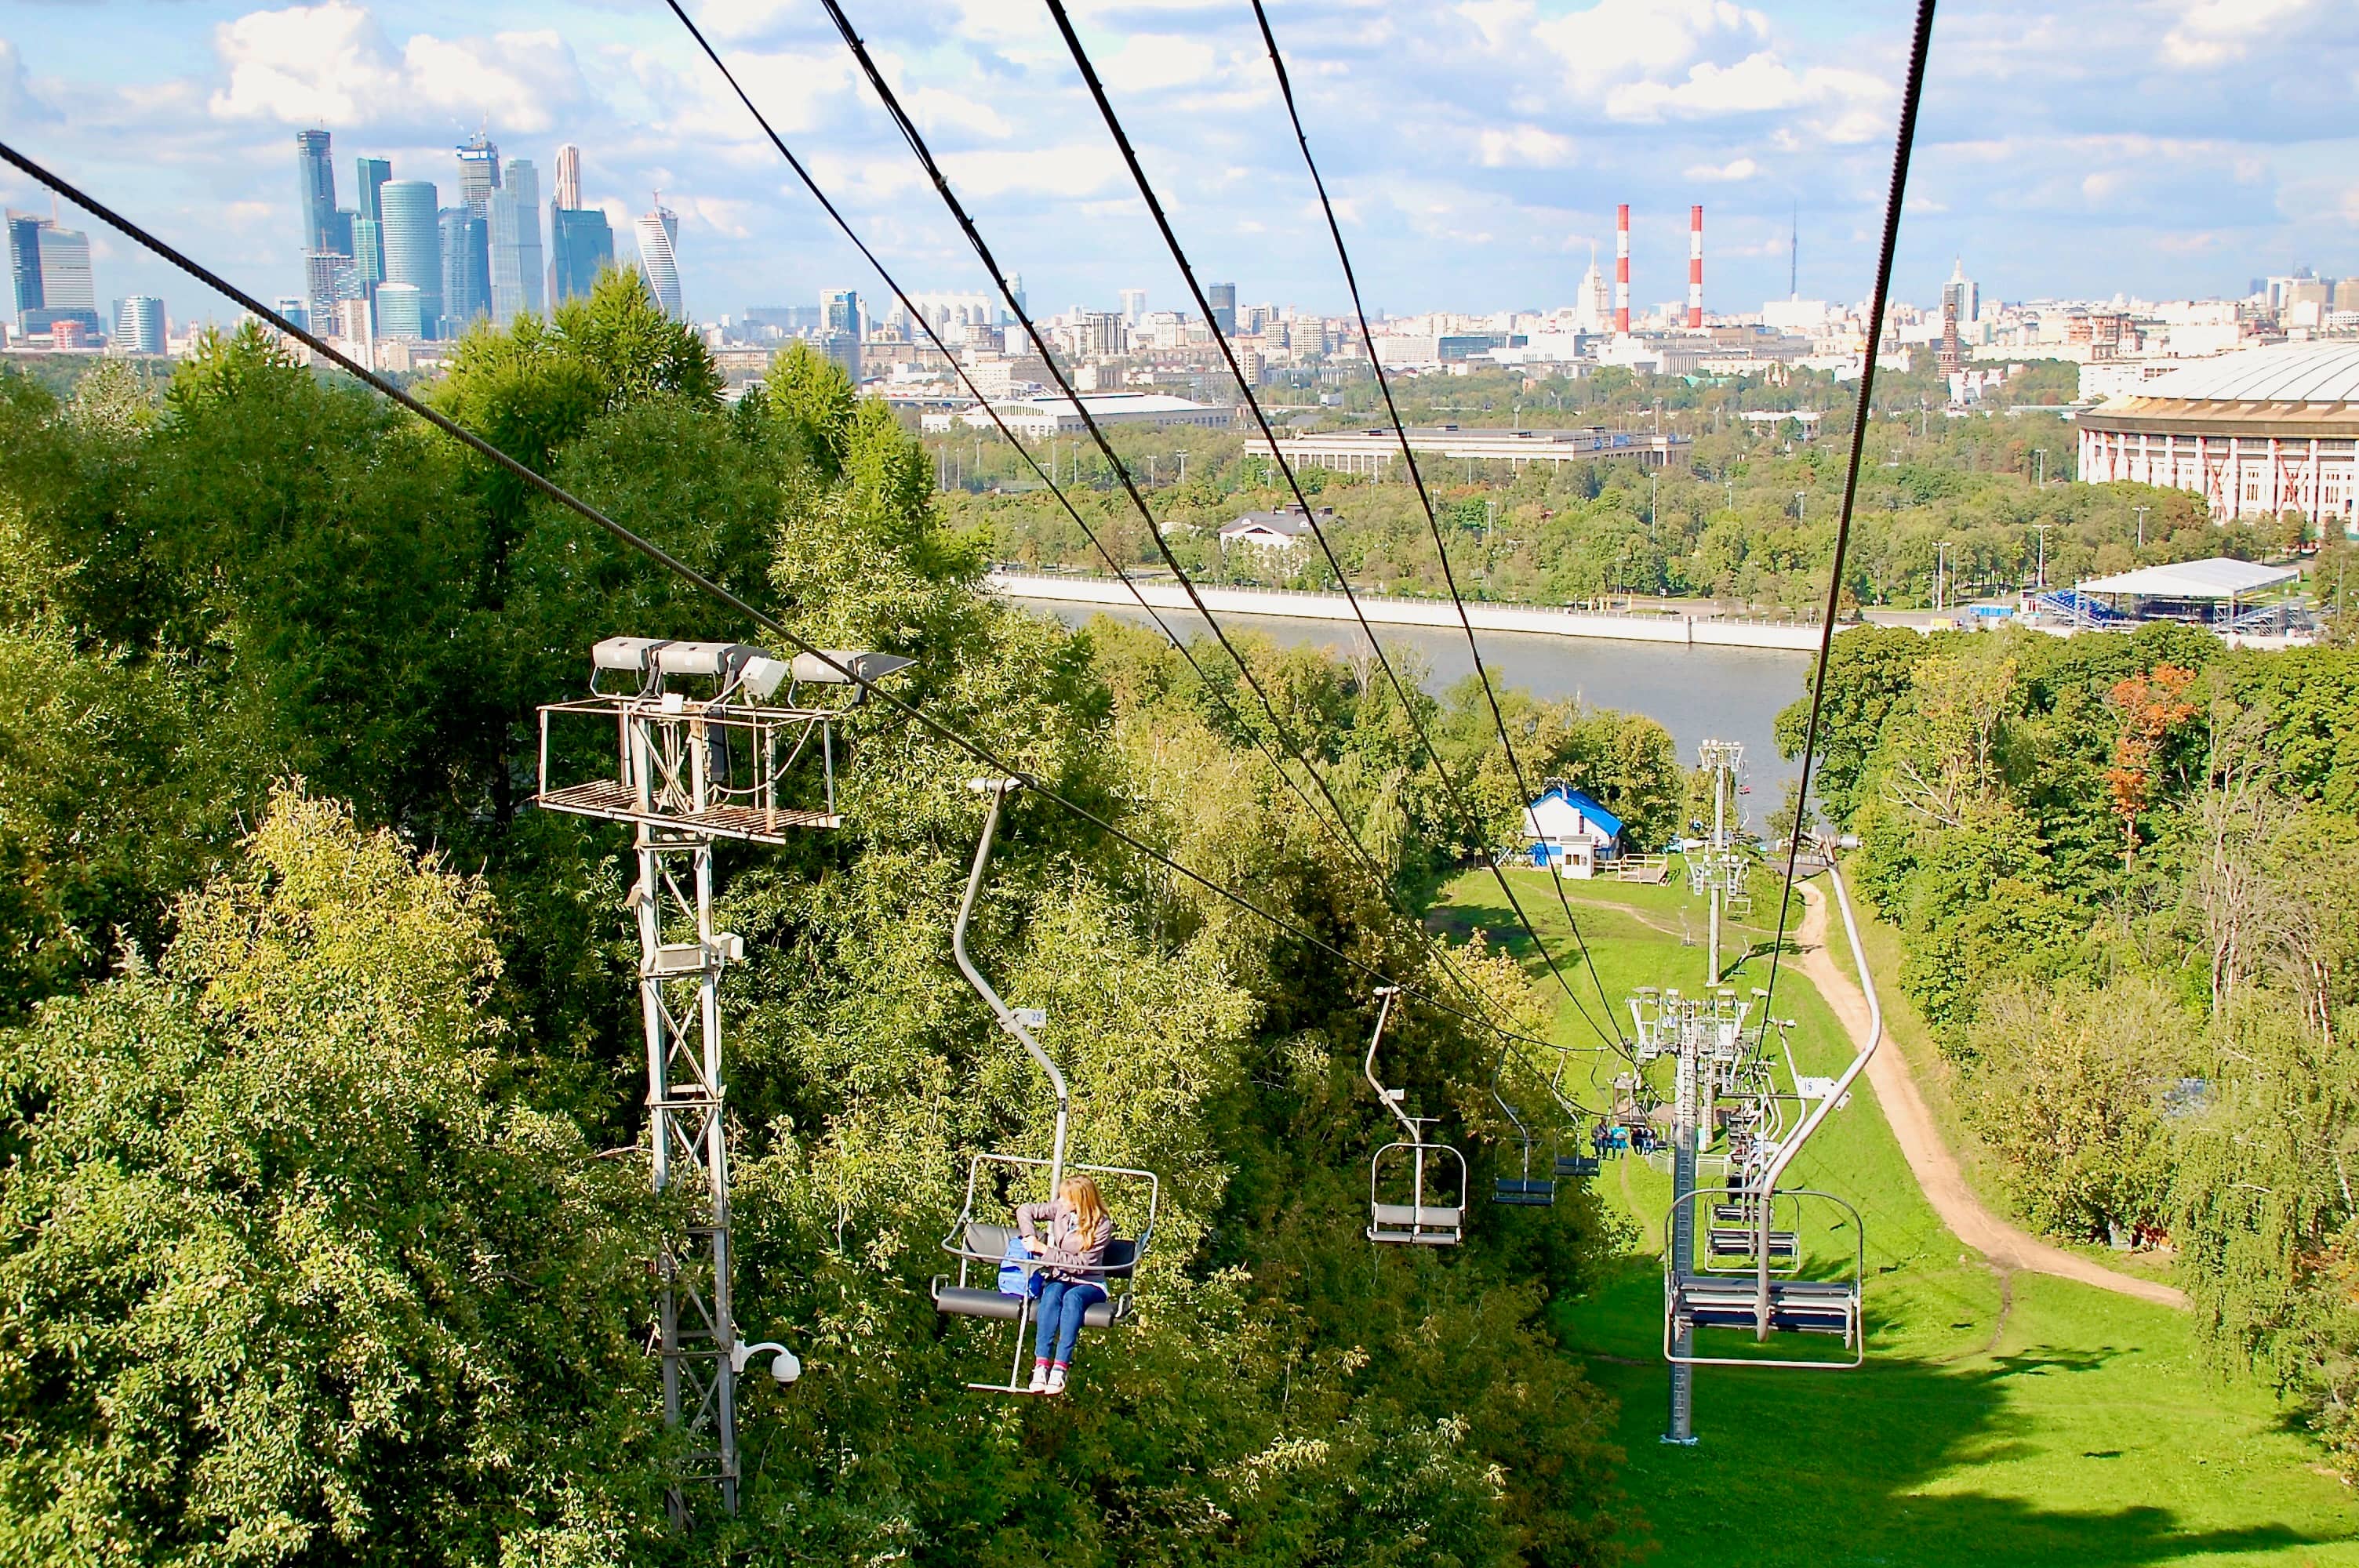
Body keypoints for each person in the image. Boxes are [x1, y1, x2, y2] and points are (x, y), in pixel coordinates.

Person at [1015, 1174, 1113, 1396]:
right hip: (1060, 1277)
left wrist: (1044, 1251)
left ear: (1080, 1201)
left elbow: (1082, 1265)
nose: (1061, 1202)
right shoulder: (1062, 1210)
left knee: (1072, 1299)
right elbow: (1025, 1210)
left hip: (1088, 1282)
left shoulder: (1102, 1225)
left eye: (1066, 1199)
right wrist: (1030, 1237)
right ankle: (1041, 1365)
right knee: (1051, 1296)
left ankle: (1060, 1368)